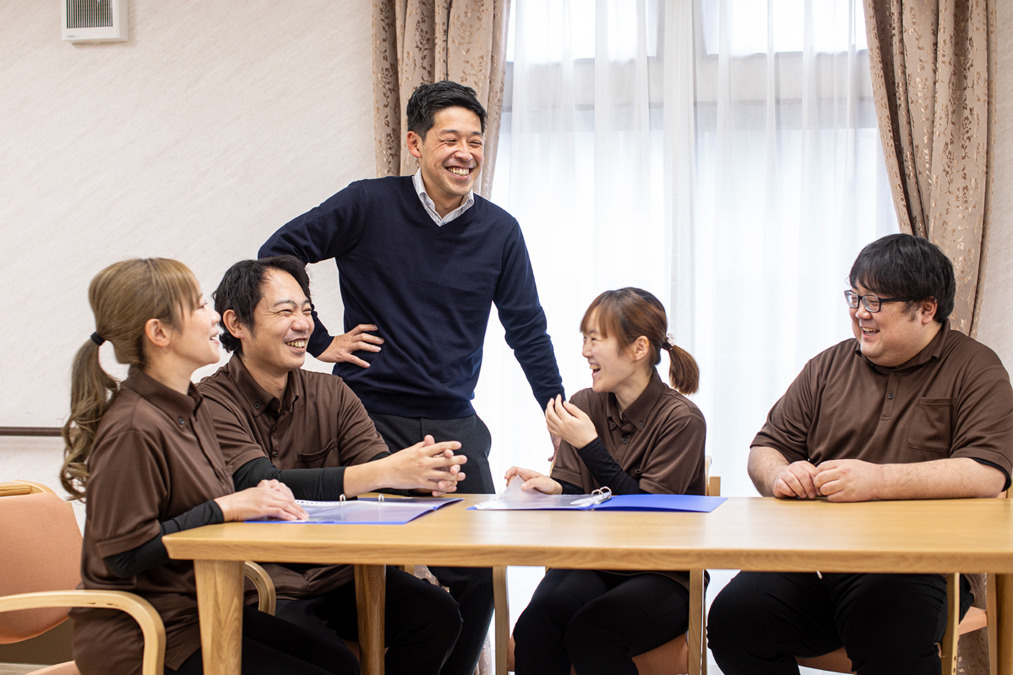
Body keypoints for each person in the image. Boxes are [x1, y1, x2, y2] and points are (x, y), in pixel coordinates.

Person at [259, 80, 564, 673]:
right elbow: (280, 252)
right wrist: (321, 340)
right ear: (415, 145)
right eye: (450, 138)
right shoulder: (367, 203)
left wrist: (556, 413)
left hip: (452, 420)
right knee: (359, 567)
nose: (465, 153)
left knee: (473, 572)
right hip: (366, 416)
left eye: (476, 141)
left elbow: (526, 327)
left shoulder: (500, 230)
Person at [707, 233, 1013, 675]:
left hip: (917, 567)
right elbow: (765, 448)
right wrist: (780, 474)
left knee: (889, 628)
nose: (858, 313)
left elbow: (987, 474)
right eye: (854, 296)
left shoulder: (976, 368)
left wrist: (876, 481)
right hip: (814, 562)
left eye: (874, 301)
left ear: (926, 309)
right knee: (736, 617)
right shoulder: (827, 366)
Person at [60, 258, 354, 675]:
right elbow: (125, 555)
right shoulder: (133, 426)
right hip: (150, 633)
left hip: (205, 609)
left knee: (339, 663)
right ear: (158, 332)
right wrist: (228, 507)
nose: (215, 315)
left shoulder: (191, 407)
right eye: (199, 306)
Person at [197, 256, 467, 674]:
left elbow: (380, 469)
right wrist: (387, 471)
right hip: (263, 583)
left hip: (341, 574)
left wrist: (423, 476)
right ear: (235, 324)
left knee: (438, 614)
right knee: (334, 662)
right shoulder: (210, 401)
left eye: (307, 311)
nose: (303, 324)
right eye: (286, 311)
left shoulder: (333, 392)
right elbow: (261, 482)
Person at [504, 287, 706, 675]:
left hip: (662, 572)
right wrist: (554, 490)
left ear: (638, 348)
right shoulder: (584, 403)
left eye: (596, 339)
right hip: (594, 562)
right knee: (535, 627)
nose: (585, 351)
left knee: (594, 632)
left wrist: (589, 445)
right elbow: (580, 500)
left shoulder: (682, 420)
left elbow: (646, 513)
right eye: (584, 338)